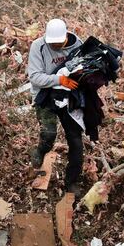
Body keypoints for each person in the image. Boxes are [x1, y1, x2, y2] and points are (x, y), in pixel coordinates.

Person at [27, 18, 84, 194]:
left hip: (68, 97)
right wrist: (59, 80)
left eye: (59, 43)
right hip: (45, 96)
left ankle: (72, 181)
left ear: (66, 36)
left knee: (75, 140)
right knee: (48, 134)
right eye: (52, 44)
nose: (55, 47)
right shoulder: (38, 46)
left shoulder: (78, 44)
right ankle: (39, 153)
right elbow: (35, 76)